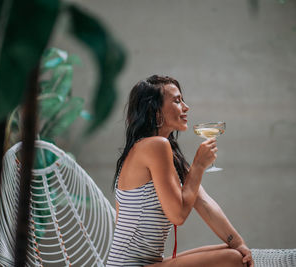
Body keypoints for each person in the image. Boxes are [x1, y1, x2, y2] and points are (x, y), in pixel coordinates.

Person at [106, 75, 253, 267]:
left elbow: (203, 202)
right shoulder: (154, 146)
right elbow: (178, 215)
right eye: (177, 101)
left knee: (235, 253)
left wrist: (239, 243)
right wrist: (199, 166)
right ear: (155, 111)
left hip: (147, 264)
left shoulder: (163, 151)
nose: (186, 107)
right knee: (232, 260)